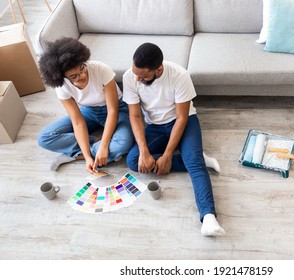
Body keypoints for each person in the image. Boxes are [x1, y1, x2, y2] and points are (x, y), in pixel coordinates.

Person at [122, 42, 225, 237]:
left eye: (142, 76)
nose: (137, 78)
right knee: (134, 161)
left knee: (194, 165)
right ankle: (199, 159)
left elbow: (182, 118)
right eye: (136, 73)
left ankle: (209, 217)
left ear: (158, 70)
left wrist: (168, 155)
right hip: (155, 127)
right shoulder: (130, 77)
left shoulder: (179, 75)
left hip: (183, 122)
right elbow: (135, 116)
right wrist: (144, 151)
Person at [37, 37, 134, 174]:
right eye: (74, 76)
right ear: (62, 77)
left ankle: (76, 155)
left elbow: (113, 111)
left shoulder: (101, 69)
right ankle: (90, 150)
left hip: (116, 110)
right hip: (89, 112)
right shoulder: (62, 86)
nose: (81, 76)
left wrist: (104, 146)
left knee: (123, 143)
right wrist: (88, 157)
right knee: (45, 138)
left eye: (82, 68)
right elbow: (78, 123)